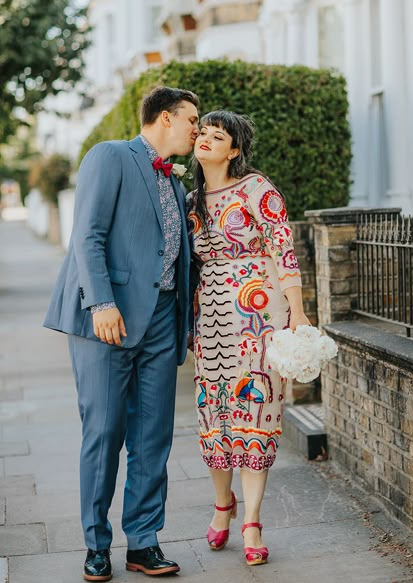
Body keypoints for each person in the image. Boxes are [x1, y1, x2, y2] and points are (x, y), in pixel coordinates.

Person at [44, 86, 200, 581]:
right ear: (164, 118)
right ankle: (96, 544)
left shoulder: (174, 181)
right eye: (191, 119)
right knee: (105, 432)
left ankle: (144, 542)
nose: (197, 128)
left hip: (161, 318)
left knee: (152, 437)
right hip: (106, 320)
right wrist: (103, 303)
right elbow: (86, 234)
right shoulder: (110, 156)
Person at [187, 110, 311, 566]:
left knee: (255, 411)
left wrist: (296, 311)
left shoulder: (258, 189)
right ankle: (223, 506)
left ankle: (253, 520)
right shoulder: (190, 198)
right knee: (215, 414)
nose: (204, 140)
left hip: (259, 313)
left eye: (216, 136)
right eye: (202, 133)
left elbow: (284, 247)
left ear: (233, 150)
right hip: (211, 318)